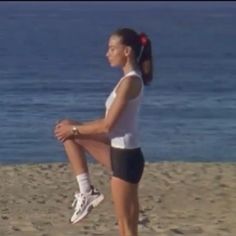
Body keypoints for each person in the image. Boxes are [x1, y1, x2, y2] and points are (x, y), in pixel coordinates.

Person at [54, 27, 153, 236]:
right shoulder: (128, 80)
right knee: (69, 129)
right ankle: (86, 191)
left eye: (112, 48)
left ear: (126, 51)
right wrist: (74, 129)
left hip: (125, 159)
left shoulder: (131, 81)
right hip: (122, 154)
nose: (107, 53)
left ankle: (88, 192)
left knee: (126, 230)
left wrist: (74, 129)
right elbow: (112, 126)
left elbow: (108, 125)